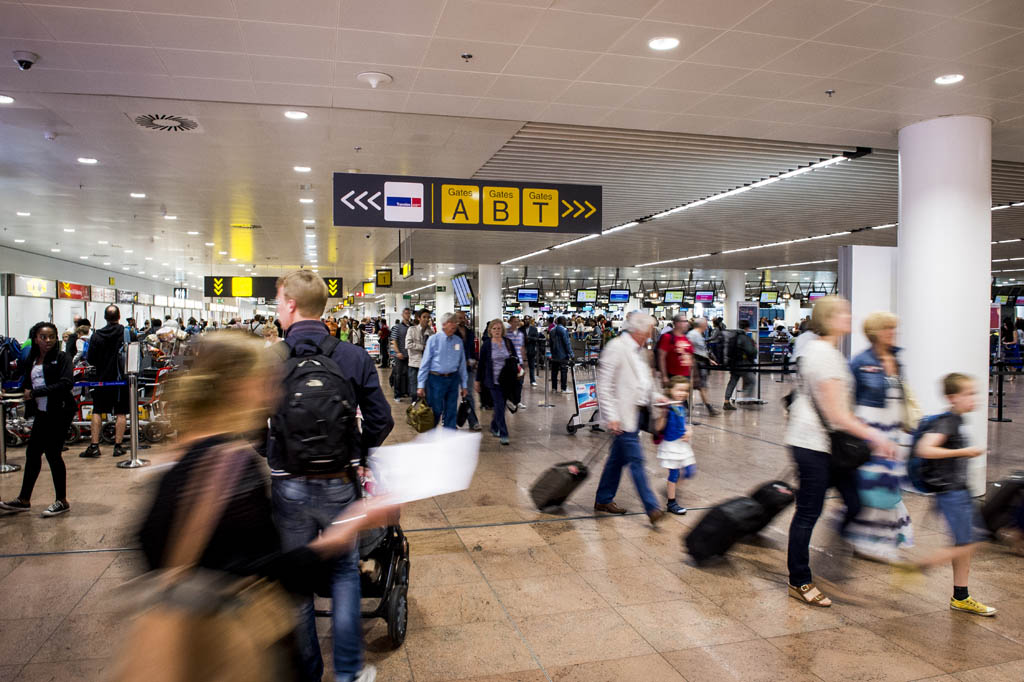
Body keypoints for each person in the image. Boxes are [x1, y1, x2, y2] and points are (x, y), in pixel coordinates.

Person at [138, 334, 396, 682]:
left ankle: (311, 672)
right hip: (234, 651)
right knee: (343, 573)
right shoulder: (230, 465)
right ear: (238, 388)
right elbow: (273, 575)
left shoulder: (176, 456)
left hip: (183, 643)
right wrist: (346, 528)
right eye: (265, 381)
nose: (274, 392)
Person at [269, 270, 394, 682]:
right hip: (340, 480)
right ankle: (348, 673)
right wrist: (357, 453)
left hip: (287, 484)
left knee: (298, 578)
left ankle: (307, 673)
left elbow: (251, 425)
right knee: (343, 571)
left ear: (289, 303)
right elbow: (381, 419)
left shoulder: (271, 358)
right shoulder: (354, 356)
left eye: (278, 300)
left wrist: (270, 453)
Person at [785, 296, 895, 608]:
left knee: (855, 501)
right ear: (829, 319)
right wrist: (875, 435)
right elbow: (836, 415)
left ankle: (836, 545)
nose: (849, 316)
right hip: (813, 444)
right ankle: (800, 580)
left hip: (827, 444)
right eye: (843, 312)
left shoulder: (827, 352)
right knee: (808, 512)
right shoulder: (824, 355)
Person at [904, 373, 995, 616]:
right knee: (971, 543)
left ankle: (961, 596)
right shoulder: (949, 422)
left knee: (965, 543)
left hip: (957, 492)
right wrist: (964, 451)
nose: (973, 398)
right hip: (952, 494)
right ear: (952, 397)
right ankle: (919, 568)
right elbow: (925, 449)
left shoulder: (955, 420)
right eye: (968, 394)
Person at [845, 312, 914, 562]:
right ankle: (865, 540)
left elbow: (901, 393)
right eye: (886, 328)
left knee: (889, 483)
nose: (891, 333)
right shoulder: (861, 361)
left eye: (892, 328)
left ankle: (883, 537)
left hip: (893, 430)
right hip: (871, 430)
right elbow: (849, 398)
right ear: (874, 332)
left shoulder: (896, 358)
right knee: (872, 484)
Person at [593, 311, 665, 526]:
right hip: (622, 416)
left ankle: (603, 499)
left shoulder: (639, 351)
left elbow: (644, 382)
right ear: (640, 331)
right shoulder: (617, 347)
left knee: (617, 459)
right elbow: (603, 386)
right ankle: (651, 507)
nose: (651, 334)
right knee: (636, 460)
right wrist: (612, 416)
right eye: (650, 330)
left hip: (638, 414)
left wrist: (657, 397)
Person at [0, 322, 75, 517]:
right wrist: (8, 392)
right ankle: (24, 499)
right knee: (33, 454)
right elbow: (26, 385)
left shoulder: (62, 358)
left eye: (51, 336)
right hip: (42, 413)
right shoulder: (32, 359)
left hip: (60, 411)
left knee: (53, 454)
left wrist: (36, 393)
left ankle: (62, 500)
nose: (48, 340)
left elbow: (66, 383)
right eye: (43, 337)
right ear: (35, 339)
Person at [78, 305, 133, 458]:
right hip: (121, 379)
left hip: (101, 380)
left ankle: (94, 446)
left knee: (97, 411)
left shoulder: (96, 336)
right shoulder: (127, 333)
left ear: (105, 317)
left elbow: (91, 359)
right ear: (119, 316)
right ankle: (118, 446)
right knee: (121, 413)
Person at [417, 312, 468, 429]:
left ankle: (448, 437)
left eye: (455, 322)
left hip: (453, 379)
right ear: (444, 324)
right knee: (436, 409)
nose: (454, 325)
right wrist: (420, 385)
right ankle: (430, 435)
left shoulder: (458, 341)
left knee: (451, 410)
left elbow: (462, 365)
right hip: (436, 380)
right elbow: (425, 363)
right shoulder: (433, 340)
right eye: (451, 322)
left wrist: (464, 385)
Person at [655, 376, 694, 516]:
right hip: (671, 446)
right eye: (679, 390)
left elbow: (684, 423)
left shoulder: (681, 406)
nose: (682, 393)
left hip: (682, 446)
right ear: (670, 390)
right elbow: (659, 427)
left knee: (690, 471)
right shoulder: (668, 408)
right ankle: (671, 502)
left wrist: (689, 430)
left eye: (685, 390)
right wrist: (663, 414)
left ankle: (671, 489)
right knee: (674, 473)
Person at [477, 319, 519, 446]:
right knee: (500, 405)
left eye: (499, 328)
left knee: (500, 407)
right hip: (493, 381)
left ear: (502, 330)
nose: (496, 331)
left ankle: (494, 426)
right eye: (494, 329)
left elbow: (515, 359)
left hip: (507, 380)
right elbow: (481, 364)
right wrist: (477, 380)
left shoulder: (508, 342)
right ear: (490, 331)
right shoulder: (487, 345)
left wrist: (519, 371)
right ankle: (504, 433)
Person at [686, 317, 720, 415]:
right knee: (700, 386)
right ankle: (707, 408)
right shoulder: (692, 335)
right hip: (696, 365)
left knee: (702, 386)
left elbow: (701, 350)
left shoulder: (698, 335)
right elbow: (689, 350)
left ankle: (707, 407)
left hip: (701, 364)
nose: (707, 326)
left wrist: (709, 360)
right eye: (705, 324)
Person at [455, 311, 481, 431]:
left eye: (464, 318)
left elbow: (473, 349)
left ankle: (473, 421)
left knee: (469, 394)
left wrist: (475, 360)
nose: (462, 320)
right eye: (460, 318)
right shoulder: (452, 333)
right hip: (454, 370)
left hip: (469, 369)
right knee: (452, 396)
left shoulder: (470, 333)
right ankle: (450, 421)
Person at [723, 319, 757, 410]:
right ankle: (746, 398)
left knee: (732, 382)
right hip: (744, 364)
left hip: (733, 363)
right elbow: (751, 351)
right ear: (747, 328)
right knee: (752, 380)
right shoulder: (745, 338)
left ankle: (726, 401)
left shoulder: (733, 336)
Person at [656, 313, 692, 388]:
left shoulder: (686, 338)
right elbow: (661, 357)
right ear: (677, 323)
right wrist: (664, 376)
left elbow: (690, 357)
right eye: (684, 321)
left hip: (685, 376)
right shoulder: (667, 337)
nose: (687, 324)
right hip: (673, 376)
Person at [406, 309, 432, 399]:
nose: (426, 319)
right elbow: (408, 344)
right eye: (424, 317)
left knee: (427, 392)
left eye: (428, 317)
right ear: (419, 318)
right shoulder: (412, 330)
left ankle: (425, 411)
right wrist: (422, 347)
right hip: (415, 365)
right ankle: (415, 410)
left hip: (427, 366)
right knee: (414, 392)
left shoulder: (431, 333)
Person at [389, 308, 412, 402]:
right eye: (406, 313)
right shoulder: (397, 327)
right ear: (402, 315)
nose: (407, 315)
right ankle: (397, 394)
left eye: (409, 313)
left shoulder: (412, 326)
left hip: (410, 355)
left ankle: (405, 392)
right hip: (399, 355)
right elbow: (393, 341)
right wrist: (397, 352)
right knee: (398, 375)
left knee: (408, 375)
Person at [548, 316, 573, 393]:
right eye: (565, 320)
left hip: (554, 354)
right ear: (562, 321)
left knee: (554, 371)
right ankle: (563, 389)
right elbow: (567, 343)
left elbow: (550, 343)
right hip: (563, 355)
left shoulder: (552, 330)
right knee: (563, 371)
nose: (566, 322)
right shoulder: (564, 330)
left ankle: (554, 388)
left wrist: (552, 353)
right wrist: (571, 353)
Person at [506, 316, 527, 410]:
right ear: (510, 322)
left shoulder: (520, 334)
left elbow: (522, 347)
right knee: (510, 382)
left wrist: (524, 360)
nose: (516, 324)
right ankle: (510, 400)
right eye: (514, 322)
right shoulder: (506, 333)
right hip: (510, 362)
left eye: (517, 322)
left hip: (519, 362)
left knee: (519, 382)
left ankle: (517, 401)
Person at [524, 316, 542, 387]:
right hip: (522, 351)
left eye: (528, 319)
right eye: (525, 319)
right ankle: (520, 381)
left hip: (531, 350)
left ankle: (532, 380)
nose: (526, 321)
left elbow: (537, 338)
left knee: (531, 366)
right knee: (521, 367)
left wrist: (529, 338)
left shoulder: (534, 329)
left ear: (530, 320)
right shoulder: (520, 329)